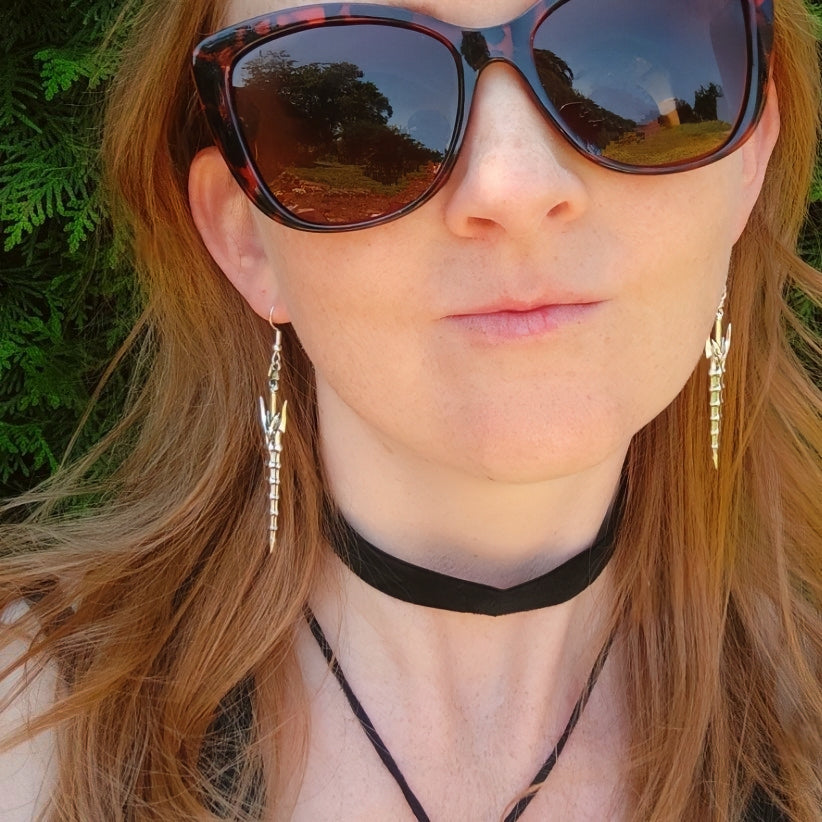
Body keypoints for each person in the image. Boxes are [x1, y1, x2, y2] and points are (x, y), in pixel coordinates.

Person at [0, 0, 820, 819]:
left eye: (627, 62)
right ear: (246, 238)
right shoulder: (27, 729)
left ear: (750, 157)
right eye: (368, 111)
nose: (513, 185)